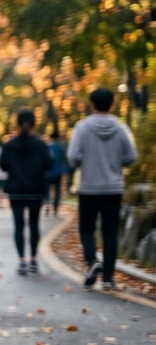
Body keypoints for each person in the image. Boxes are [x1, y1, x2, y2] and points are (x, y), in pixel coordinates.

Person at [68, 87, 138, 290]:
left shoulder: (82, 128)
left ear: (91, 104)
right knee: (110, 233)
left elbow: (72, 157)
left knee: (87, 228)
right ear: (112, 105)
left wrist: (86, 163)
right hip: (113, 188)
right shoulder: (121, 128)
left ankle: (93, 261)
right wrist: (116, 163)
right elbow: (131, 157)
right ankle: (108, 278)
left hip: (88, 188)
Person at [0, 108, 54, 276]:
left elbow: (2, 165)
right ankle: (33, 260)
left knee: (18, 226)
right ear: (33, 123)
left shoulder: (9, 145)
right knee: (34, 225)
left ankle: (21, 261)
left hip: (16, 190)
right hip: (36, 190)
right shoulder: (40, 144)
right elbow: (49, 164)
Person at [46, 132, 70, 215]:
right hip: (58, 172)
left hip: (47, 172)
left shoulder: (47, 147)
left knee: (47, 189)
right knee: (57, 190)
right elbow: (65, 160)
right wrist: (65, 170)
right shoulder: (61, 147)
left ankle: (48, 203)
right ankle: (55, 207)